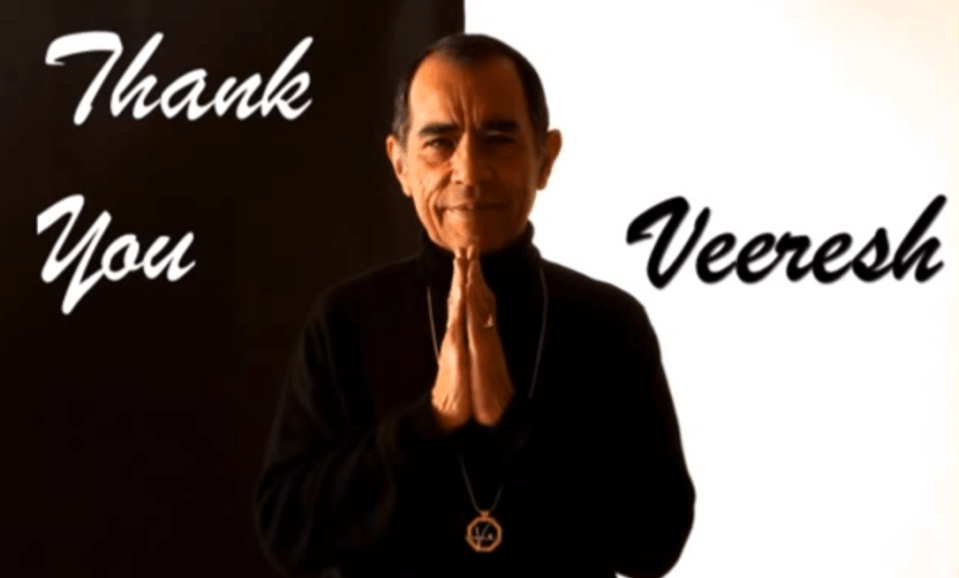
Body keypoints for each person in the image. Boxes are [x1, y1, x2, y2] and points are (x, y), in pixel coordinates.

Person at [253, 33, 695, 578]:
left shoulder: (609, 323)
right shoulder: (345, 319)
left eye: (499, 139)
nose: (469, 171)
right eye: (439, 143)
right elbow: (287, 533)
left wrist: (512, 418)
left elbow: (655, 541)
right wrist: (430, 420)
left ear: (545, 158)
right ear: (400, 165)